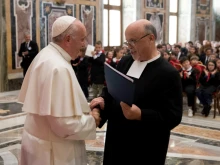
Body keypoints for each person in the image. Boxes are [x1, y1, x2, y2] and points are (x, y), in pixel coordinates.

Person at [90, 19, 182, 165]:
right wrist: (101, 100)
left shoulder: (168, 73)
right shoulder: (126, 61)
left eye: (133, 41)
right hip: (117, 140)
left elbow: (173, 116)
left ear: (151, 38)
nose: (129, 47)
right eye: (127, 42)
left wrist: (141, 115)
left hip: (145, 148)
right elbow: (112, 90)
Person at [17, 16, 100, 165]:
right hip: (54, 153)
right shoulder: (58, 67)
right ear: (68, 39)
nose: (84, 45)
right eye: (82, 39)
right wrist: (92, 120)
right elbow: (64, 124)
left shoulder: (46, 54)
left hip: (39, 143)